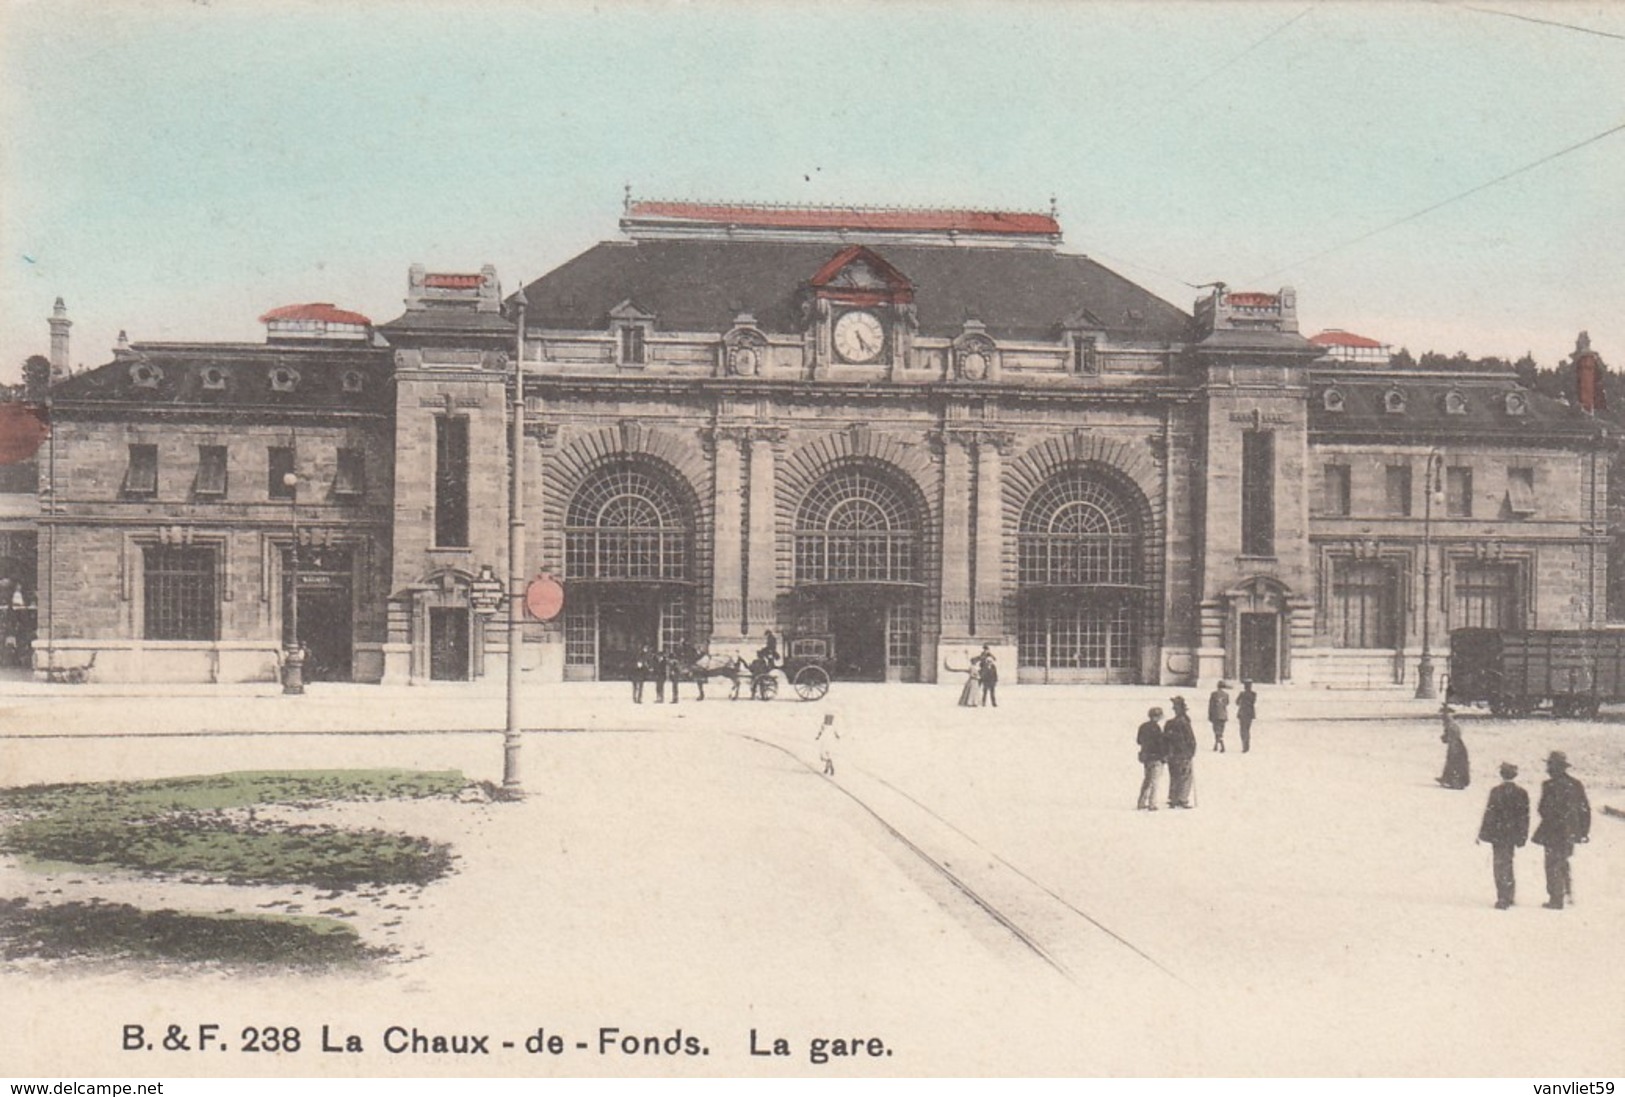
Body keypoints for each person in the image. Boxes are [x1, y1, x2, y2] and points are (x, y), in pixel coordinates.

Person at [1531, 750, 1591, 910]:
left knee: (1552, 864)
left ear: (1555, 767)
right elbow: (1584, 809)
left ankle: (1556, 898)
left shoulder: (1549, 785)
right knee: (1563, 860)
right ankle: (1567, 892)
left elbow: (1542, 808)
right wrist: (1583, 832)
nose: (1548, 768)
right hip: (1570, 831)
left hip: (1552, 831)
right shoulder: (1576, 784)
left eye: (1549, 765)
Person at [1477, 762, 1530, 909]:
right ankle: (1509, 894)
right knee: (1508, 862)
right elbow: (1524, 817)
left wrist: (1482, 834)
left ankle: (1503, 897)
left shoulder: (1496, 791)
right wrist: (1523, 836)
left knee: (1500, 865)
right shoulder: (1522, 793)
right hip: (1512, 835)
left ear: (1501, 774)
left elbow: (1489, 814)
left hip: (1498, 834)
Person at [1165, 696, 1198, 808]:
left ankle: (1173, 798)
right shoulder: (1184, 722)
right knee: (1185, 776)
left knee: (1174, 775)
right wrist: (1191, 751)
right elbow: (1191, 738)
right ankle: (1182, 799)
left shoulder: (1169, 723)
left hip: (1172, 754)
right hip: (1183, 753)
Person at [1136, 707, 1167, 811]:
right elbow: (1160, 743)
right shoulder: (1156, 728)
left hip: (1146, 757)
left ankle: (1141, 802)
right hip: (1156, 757)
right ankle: (1152, 803)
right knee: (1154, 781)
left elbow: (1139, 741)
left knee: (1147, 780)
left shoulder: (1143, 726)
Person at [1436, 705, 1470, 789]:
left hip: (1455, 746)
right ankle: (1447, 779)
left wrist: (1444, 738)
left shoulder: (1451, 725)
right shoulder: (1451, 724)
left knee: (1454, 763)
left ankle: (1454, 781)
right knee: (1452, 763)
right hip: (1456, 745)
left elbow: (1450, 737)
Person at [1208, 681, 1231, 752]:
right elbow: (1227, 703)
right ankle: (1216, 744)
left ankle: (1221, 744)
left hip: (1215, 714)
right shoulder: (1226, 694)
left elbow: (1211, 705)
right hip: (1223, 715)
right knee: (1221, 730)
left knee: (1216, 730)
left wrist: (1209, 714)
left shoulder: (1213, 694)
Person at [1237, 681, 1257, 752]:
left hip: (1243, 713)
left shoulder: (1242, 694)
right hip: (1250, 714)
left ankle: (1244, 745)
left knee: (1243, 730)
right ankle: (1247, 744)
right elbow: (1253, 701)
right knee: (1247, 729)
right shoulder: (1253, 694)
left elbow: (1237, 702)